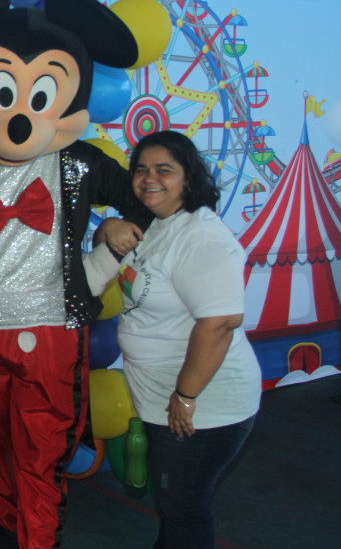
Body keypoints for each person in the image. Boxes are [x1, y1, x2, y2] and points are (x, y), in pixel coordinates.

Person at [0, 0, 144, 549]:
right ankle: (7, 526)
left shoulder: (80, 163)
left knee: (41, 451)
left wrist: (107, 254)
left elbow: (146, 198)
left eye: (40, 94)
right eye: (2, 91)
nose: (18, 118)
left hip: (49, 334)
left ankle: (37, 541)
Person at [91, 130, 261, 549]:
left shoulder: (200, 237)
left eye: (164, 170)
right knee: (174, 507)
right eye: (141, 170)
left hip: (202, 408)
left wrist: (185, 396)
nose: (150, 178)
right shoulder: (154, 223)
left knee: (182, 508)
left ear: (188, 178)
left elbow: (220, 323)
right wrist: (107, 228)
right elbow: (109, 259)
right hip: (161, 399)